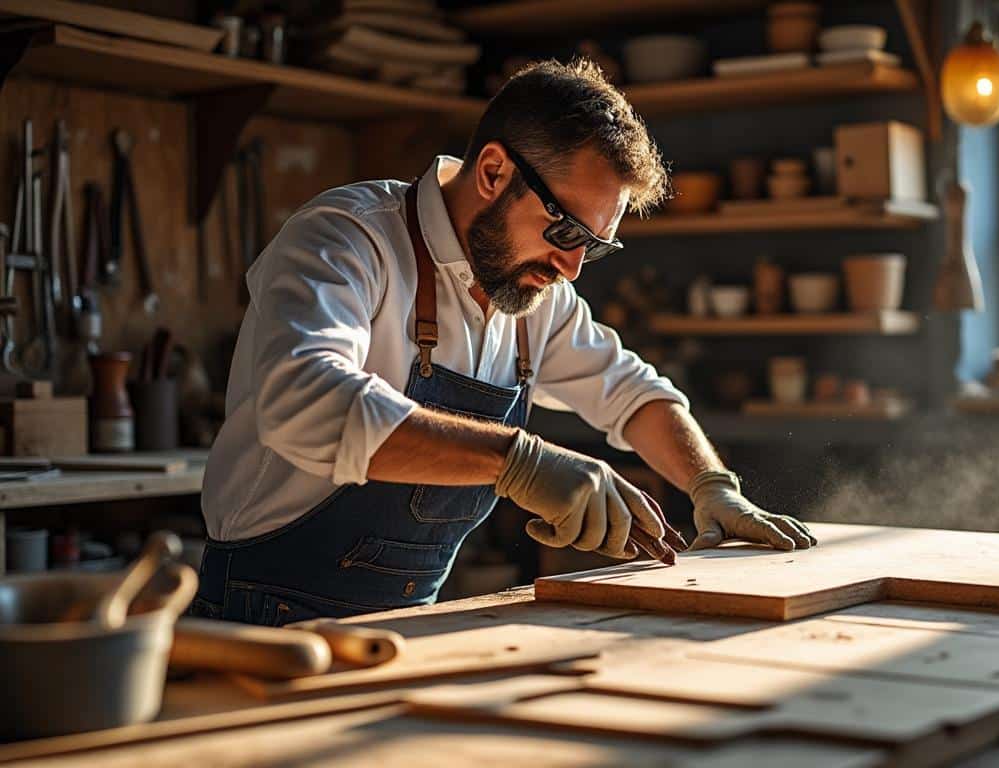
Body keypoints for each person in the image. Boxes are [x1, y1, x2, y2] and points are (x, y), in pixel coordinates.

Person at [193, 60, 815, 625]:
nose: (572, 266)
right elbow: (302, 402)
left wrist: (711, 486)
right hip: (263, 615)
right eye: (566, 229)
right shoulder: (349, 239)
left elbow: (631, 392)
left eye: (594, 246)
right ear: (493, 171)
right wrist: (519, 460)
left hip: (407, 622)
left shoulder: (532, 297)